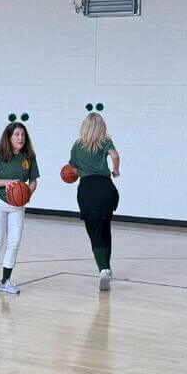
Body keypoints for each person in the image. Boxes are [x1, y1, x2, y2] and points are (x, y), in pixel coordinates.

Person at [0, 118, 38, 296]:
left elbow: (33, 181)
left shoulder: (29, 157)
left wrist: (28, 193)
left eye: (23, 135)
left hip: (17, 205)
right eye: (17, 134)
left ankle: (5, 281)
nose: (20, 138)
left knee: (14, 242)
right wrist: (8, 182)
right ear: (9, 137)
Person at [69, 109, 120, 292]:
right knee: (105, 229)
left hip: (88, 189)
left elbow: (73, 171)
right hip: (106, 189)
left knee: (94, 232)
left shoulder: (77, 145)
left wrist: (73, 173)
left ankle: (103, 269)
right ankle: (107, 267)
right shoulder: (105, 141)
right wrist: (116, 170)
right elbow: (115, 155)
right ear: (101, 127)